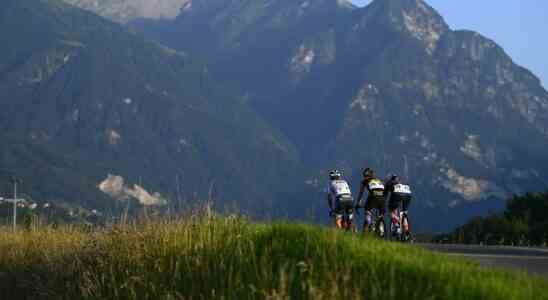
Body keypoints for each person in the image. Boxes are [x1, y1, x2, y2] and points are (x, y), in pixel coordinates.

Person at [355, 168, 386, 234]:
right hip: (382, 197)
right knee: (381, 214)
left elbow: (361, 193)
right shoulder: (379, 180)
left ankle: (368, 223)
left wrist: (358, 203)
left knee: (368, 210)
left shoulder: (364, 181)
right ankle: (381, 225)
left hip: (373, 196)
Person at [384, 174, 412, 238]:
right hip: (408, 195)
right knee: (404, 213)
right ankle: (406, 230)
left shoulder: (389, 183)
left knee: (391, 211)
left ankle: (396, 224)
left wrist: (384, 203)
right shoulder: (401, 183)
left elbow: (385, 195)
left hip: (397, 194)